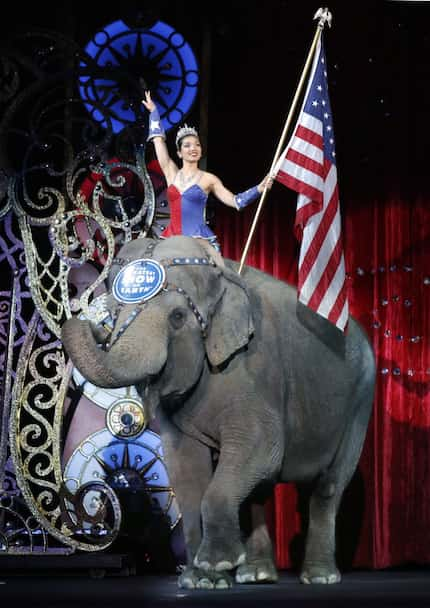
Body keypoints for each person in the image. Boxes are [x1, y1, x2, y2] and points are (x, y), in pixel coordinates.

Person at [141, 91, 273, 252]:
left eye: (197, 145)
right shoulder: (171, 173)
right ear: (179, 153)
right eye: (187, 145)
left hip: (199, 240)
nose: (193, 148)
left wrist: (259, 189)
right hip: (171, 239)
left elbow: (236, 202)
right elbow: (158, 141)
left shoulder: (209, 179)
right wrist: (154, 112)